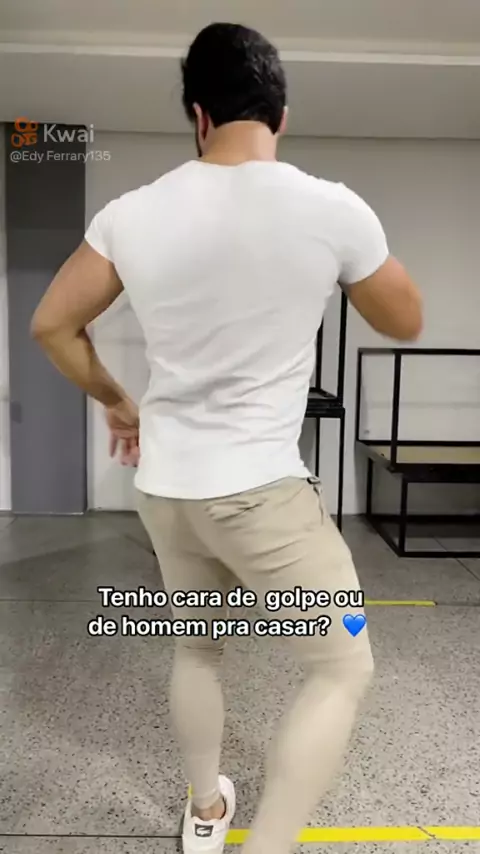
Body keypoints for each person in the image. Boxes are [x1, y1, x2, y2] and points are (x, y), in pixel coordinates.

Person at [31, 21, 423, 854]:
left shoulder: (130, 214)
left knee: (198, 650)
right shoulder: (331, 206)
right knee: (344, 663)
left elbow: (52, 326)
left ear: (199, 116)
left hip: (167, 492)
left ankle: (207, 812)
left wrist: (118, 402)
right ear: (280, 115)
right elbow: (404, 320)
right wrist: (349, 261)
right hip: (262, 499)